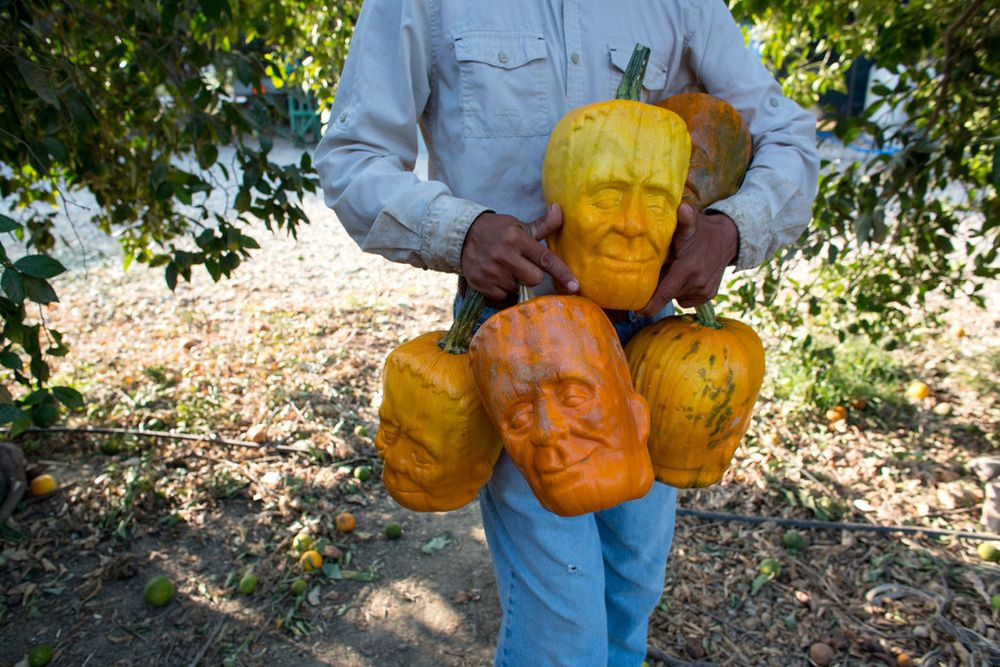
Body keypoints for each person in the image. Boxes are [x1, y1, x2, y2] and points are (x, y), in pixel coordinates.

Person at [315, 1, 819, 665]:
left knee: (630, 595)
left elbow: (788, 135)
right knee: (563, 631)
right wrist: (462, 231)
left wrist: (732, 230)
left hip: (647, 344)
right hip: (520, 346)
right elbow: (352, 156)